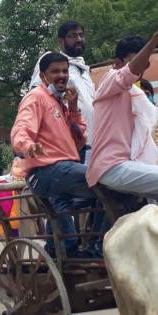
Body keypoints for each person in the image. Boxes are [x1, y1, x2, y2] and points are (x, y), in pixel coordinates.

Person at [11, 52, 96, 257]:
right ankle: (98, 248)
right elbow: (21, 129)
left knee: (69, 222)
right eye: (55, 71)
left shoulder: (62, 103)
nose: (62, 75)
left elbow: (79, 140)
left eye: (65, 71)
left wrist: (74, 109)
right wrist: (28, 146)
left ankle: (59, 252)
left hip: (61, 173)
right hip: (48, 171)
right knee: (105, 181)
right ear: (43, 76)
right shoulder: (37, 97)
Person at [87, 32, 158, 197]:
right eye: (137, 61)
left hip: (131, 164)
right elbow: (128, 73)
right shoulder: (109, 79)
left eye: (145, 64)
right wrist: (154, 40)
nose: (142, 69)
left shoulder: (137, 93)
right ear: (118, 63)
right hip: (110, 166)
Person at [30, 20, 95, 164]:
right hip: (65, 145)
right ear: (61, 41)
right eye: (73, 36)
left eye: (81, 35)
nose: (79, 39)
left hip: (89, 143)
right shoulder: (51, 62)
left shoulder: (84, 70)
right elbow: (36, 97)